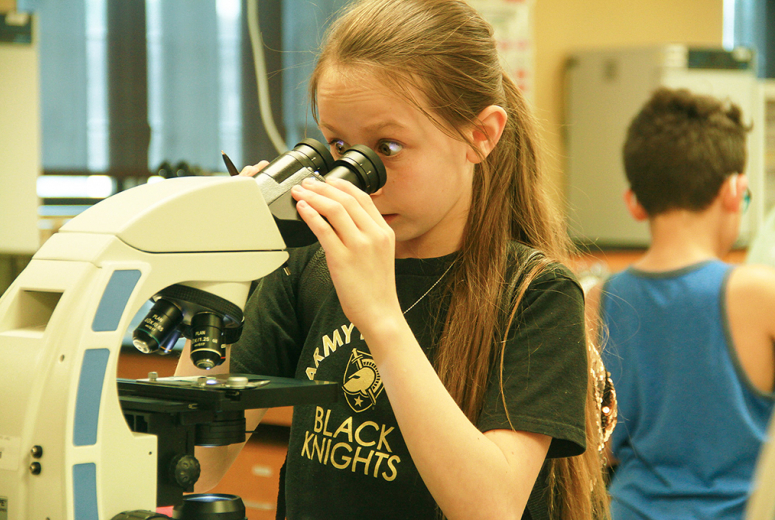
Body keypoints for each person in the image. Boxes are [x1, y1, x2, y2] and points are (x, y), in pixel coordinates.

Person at [177, 0, 611, 518]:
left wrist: (381, 317)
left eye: (387, 146)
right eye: (338, 146)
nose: (359, 178)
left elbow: (490, 507)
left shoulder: (536, 294)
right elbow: (194, 465)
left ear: (481, 135)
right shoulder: (307, 269)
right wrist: (221, 282)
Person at [586, 87, 775, 519]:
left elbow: (605, 446)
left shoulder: (600, 300)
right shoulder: (760, 294)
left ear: (634, 202)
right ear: (735, 191)